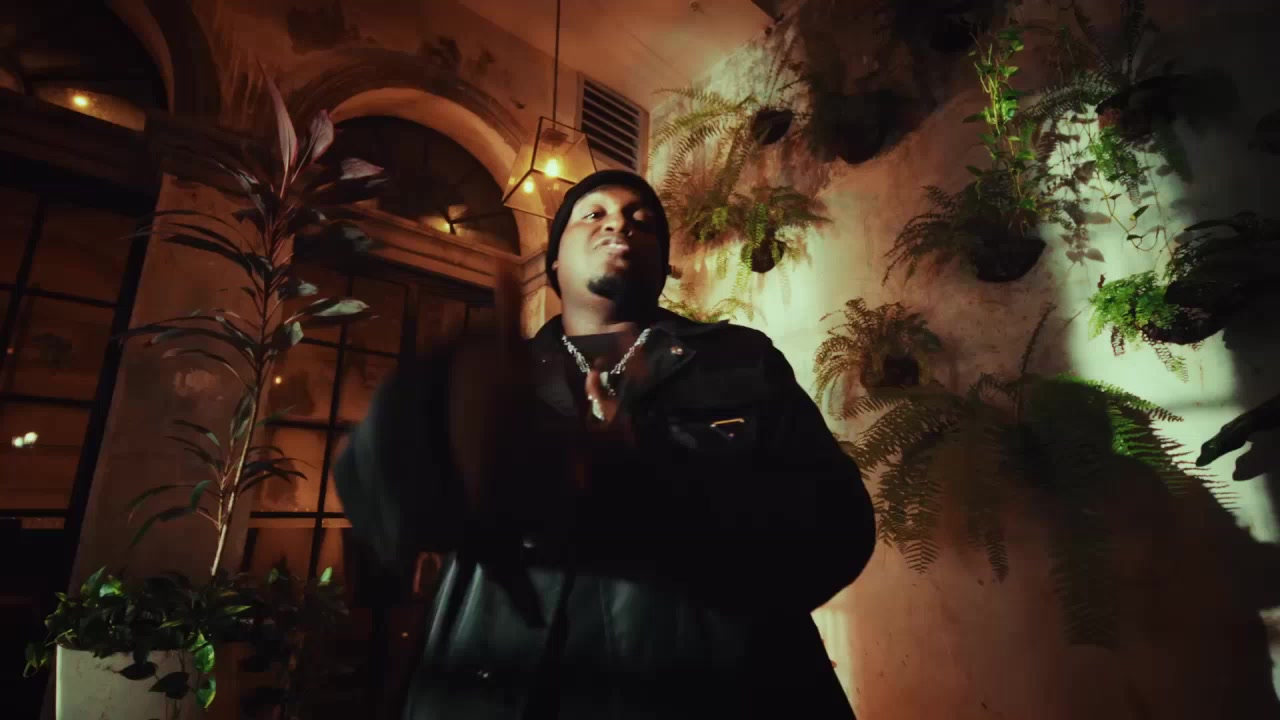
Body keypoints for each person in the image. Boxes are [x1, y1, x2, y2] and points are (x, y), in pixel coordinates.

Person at [334, 169, 876, 719]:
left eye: (642, 220)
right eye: (593, 214)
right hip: (500, 691)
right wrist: (425, 415)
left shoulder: (740, 360)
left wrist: (652, 471)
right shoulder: (498, 376)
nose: (619, 222)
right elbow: (385, 508)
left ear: (663, 265)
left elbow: (838, 529)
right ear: (553, 263)